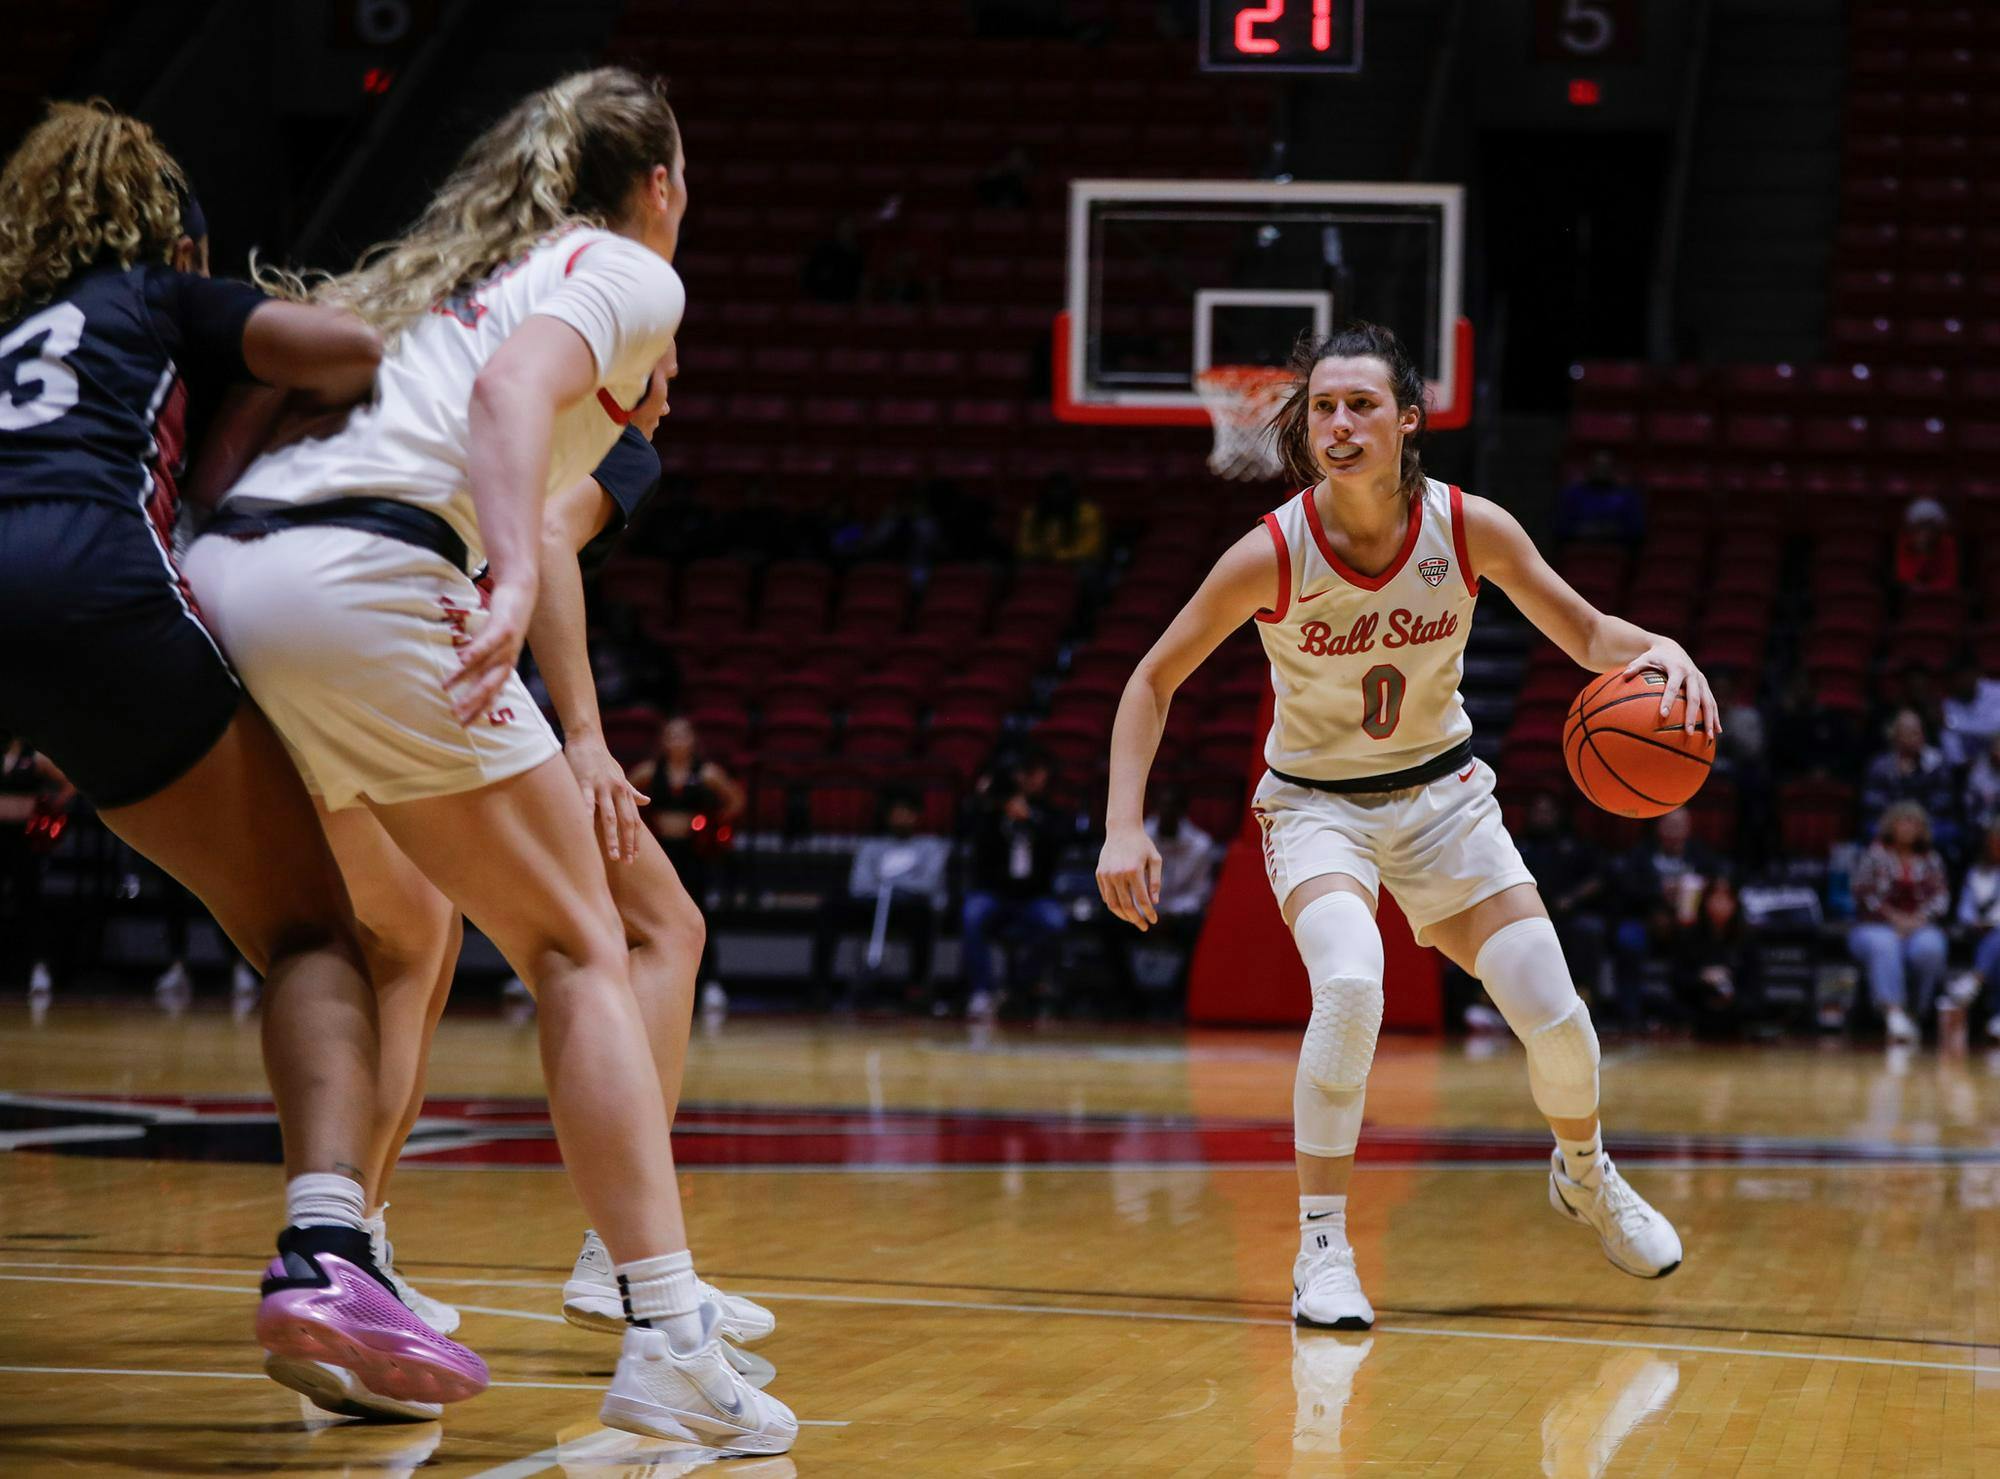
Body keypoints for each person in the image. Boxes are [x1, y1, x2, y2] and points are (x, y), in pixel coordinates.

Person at [182, 69, 795, 1448]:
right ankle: (666, 1332)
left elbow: (250, 420)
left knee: (396, 931)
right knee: (583, 940)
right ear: (660, 187)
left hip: (231, 573)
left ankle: (346, 1260)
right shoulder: (624, 274)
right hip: (371, 582)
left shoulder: (455, 277)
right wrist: (511, 569)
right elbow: (521, 395)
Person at [1096, 323, 1707, 1332]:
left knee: (1553, 1016)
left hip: (1443, 801)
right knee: (1346, 985)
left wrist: (1662, 647)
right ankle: (1322, 1245)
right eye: (1322, 408)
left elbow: (1590, 635)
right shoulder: (1271, 554)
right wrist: (1124, 824)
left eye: (1360, 406)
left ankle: (1585, 1173)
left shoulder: (1471, 530)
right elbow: (1150, 679)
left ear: (1406, 421)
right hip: (1316, 807)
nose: (1337, 425)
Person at [0, 100, 429, 1392]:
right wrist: (230, 376)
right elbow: (346, 347)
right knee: (313, 930)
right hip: (93, 584)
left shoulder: (11, 331)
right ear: (160, 231)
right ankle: (325, 1240)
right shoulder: (152, 297)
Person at [812, 786, 951, 1006]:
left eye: (907, 812)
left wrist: (888, 882)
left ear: (917, 816)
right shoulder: (871, 846)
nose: (901, 818)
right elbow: (859, 885)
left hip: (909, 907)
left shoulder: (931, 846)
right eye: (896, 812)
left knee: (922, 915)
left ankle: (917, 986)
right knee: (830, 909)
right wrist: (896, 885)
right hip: (871, 905)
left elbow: (927, 885)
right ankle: (820, 987)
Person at [961, 748, 1071, 1019]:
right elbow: (966, 833)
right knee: (972, 915)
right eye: (1027, 773)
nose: (1032, 779)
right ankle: (982, 991)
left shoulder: (1046, 811)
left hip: (1034, 896)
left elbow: (1060, 844)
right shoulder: (989, 810)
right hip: (993, 893)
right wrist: (988, 804)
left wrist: (1030, 821)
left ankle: (1019, 987)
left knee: (1055, 922)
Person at [1846, 801, 1950, 1046]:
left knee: (1931, 947)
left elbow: (1941, 897)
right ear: (1890, 826)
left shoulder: (1931, 859)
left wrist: (1917, 920)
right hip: (1874, 926)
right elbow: (1862, 894)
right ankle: (1893, 1012)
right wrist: (1894, 919)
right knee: (1885, 943)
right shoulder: (1874, 855)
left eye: (1914, 822)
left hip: (1919, 925)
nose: (1908, 828)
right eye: (1902, 821)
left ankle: (1917, 1012)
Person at [1608, 808, 1719, 1030]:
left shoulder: (1700, 855)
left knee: (1700, 941)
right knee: (1628, 939)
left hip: (1688, 924)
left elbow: (1715, 885)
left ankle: (1688, 1013)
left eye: (1679, 825)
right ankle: (1630, 1014)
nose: (1674, 830)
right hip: (1646, 918)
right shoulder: (1641, 853)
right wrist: (1658, 893)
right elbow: (1626, 889)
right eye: (1669, 824)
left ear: (1689, 828)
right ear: (1659, 827)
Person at [1860, 709, 1959, 858]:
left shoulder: (1936, 762)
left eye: (1918, 731)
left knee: (1950, 831)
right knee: (1871, 830)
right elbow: (1872, 801)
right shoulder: (1880, 765)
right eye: (1909, 731)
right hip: (1890, 822)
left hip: (1927, 821)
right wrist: (1898, 822)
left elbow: (1944, 799)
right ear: (1895, 735)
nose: (1916, 736)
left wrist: (1917, 821)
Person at [1675, 876, 1753, 1039]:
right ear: (1706, 901)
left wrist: (1732, 995)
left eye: (1726, 898)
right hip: (1697, 1011)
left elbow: (1755, 987)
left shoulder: (1746, 939)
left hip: (1736, 1016)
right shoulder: (1690, 937)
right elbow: (1677, 980)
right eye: (1716, 897)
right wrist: (1702, 978)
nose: (1720, 904)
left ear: (1735, 903)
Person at [1951, 820, 2000, 1041]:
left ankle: (1976, 979)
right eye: (1994, 841)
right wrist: (1974, 922)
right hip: (1979, 935)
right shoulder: (1976, 873)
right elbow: (1965, 908)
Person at [1554, 450, 1644, 545]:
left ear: (1612, 468)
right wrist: (1584, 531)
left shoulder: (1627, 496)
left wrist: (1613, 531)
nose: (1601, 470)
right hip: (1580, 546)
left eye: (1605, 467)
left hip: (1616, 547)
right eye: (1598, 466)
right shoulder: (1573, 494)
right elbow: (1562, 527)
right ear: (1590, 467)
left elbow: (1636, 529)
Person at [1015, 472, 1104, 564]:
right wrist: (1038, 553)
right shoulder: (1033, 512)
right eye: (1054, 490)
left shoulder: (1088, 513)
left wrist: (1061, 555)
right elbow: (1024, 544)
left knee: (1088, 568)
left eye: (1062, 490)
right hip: (1040, 559)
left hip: (1076, 561)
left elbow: (1090, 548)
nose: (1058, 494)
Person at [1893, 496, 1958, 593]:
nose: (1925, 533)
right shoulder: (1905, 543)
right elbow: (1905, 578)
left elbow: (1949, 579)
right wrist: (1921, 553)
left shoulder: (1946, 544)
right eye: (1920, 527)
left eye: (1929, 527)